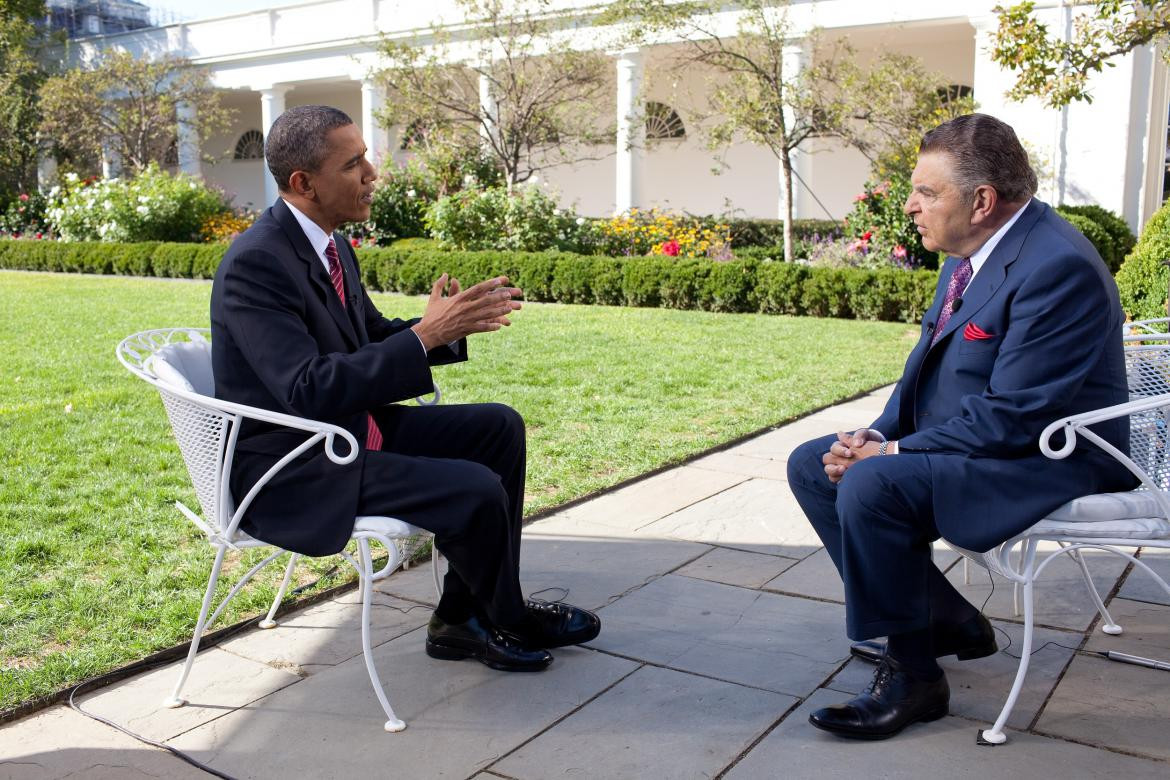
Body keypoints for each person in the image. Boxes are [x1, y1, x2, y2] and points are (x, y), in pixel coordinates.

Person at [210, 105, 599, 673]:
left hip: (346, 433)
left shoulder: (332, 247)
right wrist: (423, 335)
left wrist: (444, 330)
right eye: (354, 163)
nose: (372, 173)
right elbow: (307, 388)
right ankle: (505, 615)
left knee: (498, 428)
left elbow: (367, 338)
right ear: (304, 183)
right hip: (294, 465)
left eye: (366, 156)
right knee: (473, 487)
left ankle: (462, 620)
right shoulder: (256, 262)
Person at [786, 113, 1135, 740]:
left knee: (873, 486)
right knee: (816, 465)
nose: (911, 205)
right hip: (994, 441)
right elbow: (925, 370)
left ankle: (916, 674)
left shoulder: (1058, 267)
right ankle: (946, 619)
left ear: (981, 201)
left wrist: (890, 454)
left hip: (1053, 458)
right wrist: (870, 437)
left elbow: (1017, 414)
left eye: (926, 192)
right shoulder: (972, 250)